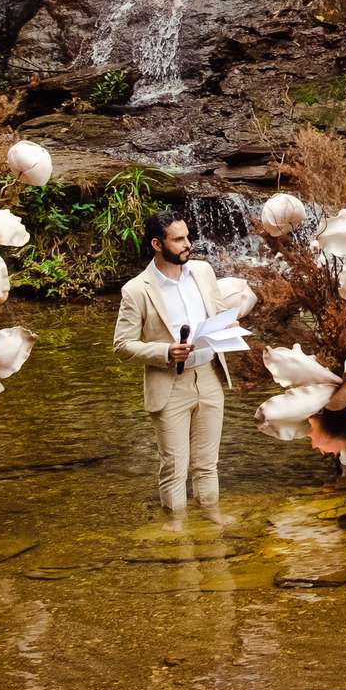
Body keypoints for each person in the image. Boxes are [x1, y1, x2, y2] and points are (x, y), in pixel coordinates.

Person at [113, 211, 235, 515]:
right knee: (174, 468)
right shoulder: (136, 290)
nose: (187, 244)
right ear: (157, 243)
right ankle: (176, 537)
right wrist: (166, 352)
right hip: (170, 385)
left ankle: (211, 529)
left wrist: (228, 330)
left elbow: (218, 315)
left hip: (209, 377)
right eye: (178, 239)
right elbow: (122, 345)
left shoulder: (203, 272)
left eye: (188, 237)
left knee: (207, 465)